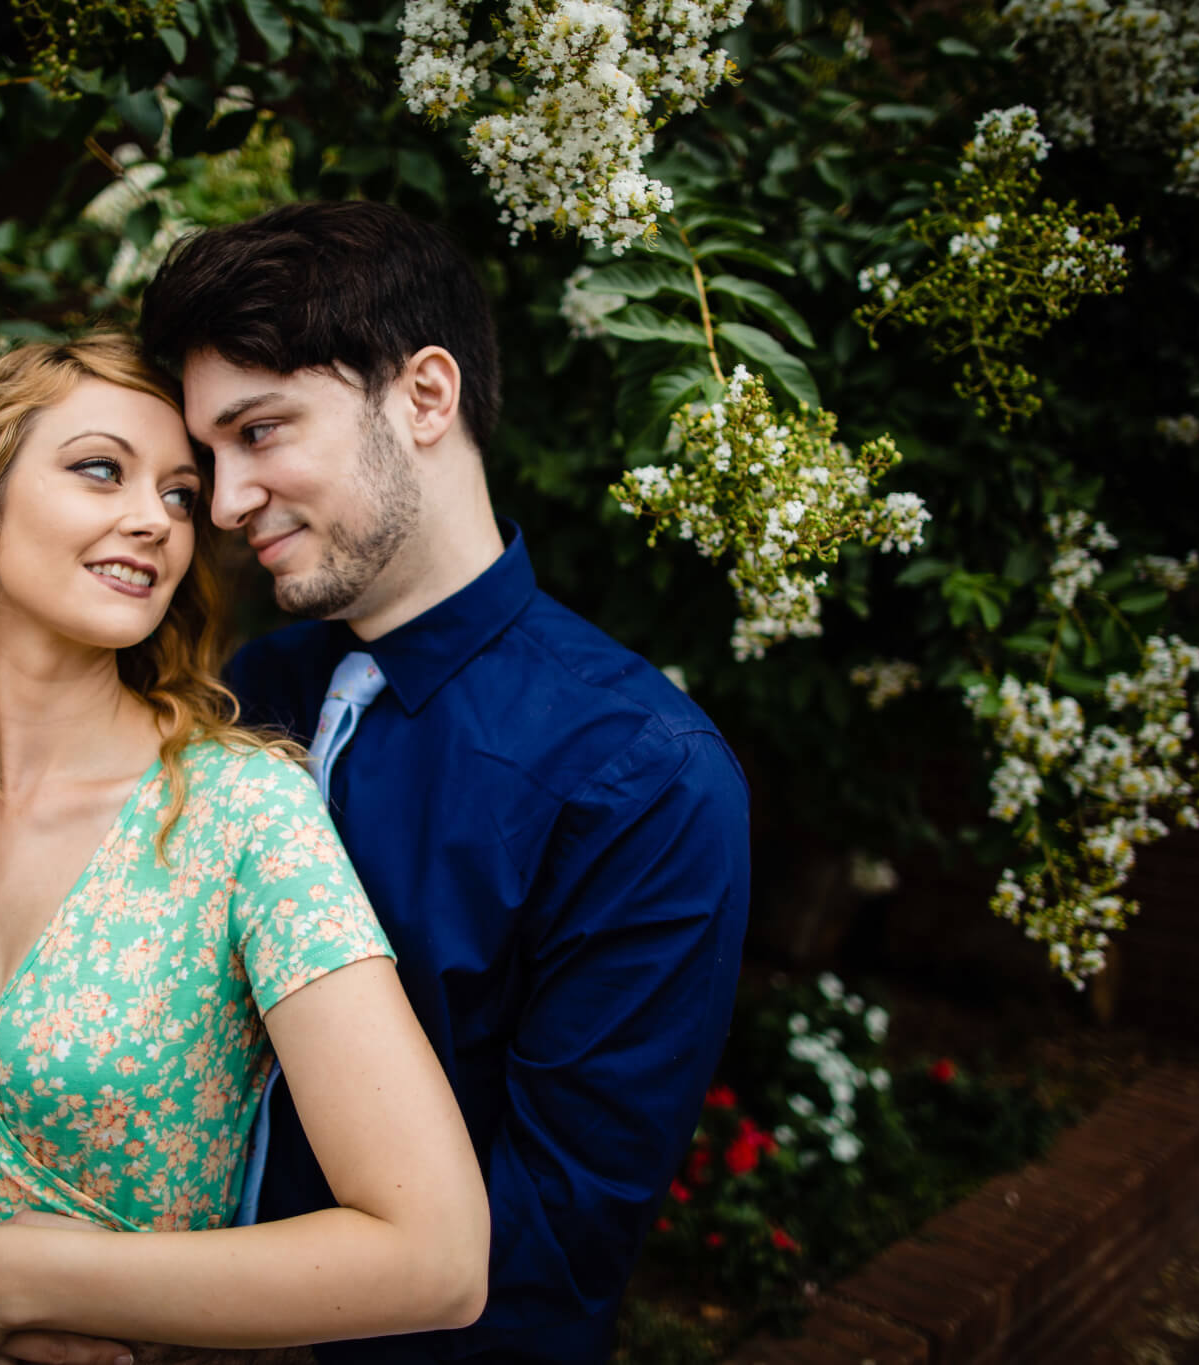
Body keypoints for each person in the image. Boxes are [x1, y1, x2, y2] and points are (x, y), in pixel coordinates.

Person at [0, 333, 489, 1365]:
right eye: (100, 470)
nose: (156, 521)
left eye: (179, 494)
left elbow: (432, 1258)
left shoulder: (242, 813)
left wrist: (7, 1286)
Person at [136, 201, 753, 1362]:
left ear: (424, 395)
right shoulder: (239, 692)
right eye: (206, 459)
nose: (221, 505)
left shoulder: (642, 781)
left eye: (259, 433)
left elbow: (548, 1241)